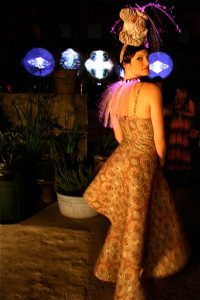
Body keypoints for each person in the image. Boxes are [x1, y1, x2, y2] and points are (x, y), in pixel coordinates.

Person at [83, 4, 191, 300]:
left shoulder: (115, 94)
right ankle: (129, 289)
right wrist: (159, 162)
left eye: (146, 57)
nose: (147, 63)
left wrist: (133, 154)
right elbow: (160, 139)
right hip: (144, 163)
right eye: (141, 58)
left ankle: (116, 269)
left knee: (132, 221)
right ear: (127, 63)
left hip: (126, 160)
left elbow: (119, 136)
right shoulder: (153, 91)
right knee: (137, 223)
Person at [165, 83, 196, 173]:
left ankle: (182, 168)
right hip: (174, 128)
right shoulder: (175, 102)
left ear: (184, 93)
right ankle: (173, 167)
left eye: (179, 92)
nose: (177, 94)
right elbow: (171, 112)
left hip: (183, 128)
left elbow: (193, 113)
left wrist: (181, 113)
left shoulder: (189, 102)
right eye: (176, 92)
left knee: (182, 146)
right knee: (174, 145)